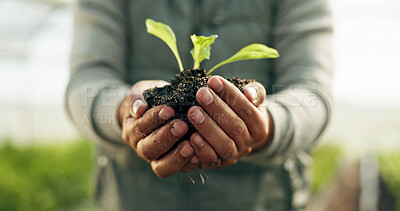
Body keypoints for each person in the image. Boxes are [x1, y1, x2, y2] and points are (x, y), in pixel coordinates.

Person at [66, 0, 333, 210]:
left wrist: (269, 124)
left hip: (261, 201)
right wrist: (122, 111)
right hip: (132, 199)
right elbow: (85, 85)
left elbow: (312, 95)